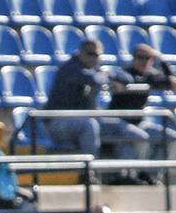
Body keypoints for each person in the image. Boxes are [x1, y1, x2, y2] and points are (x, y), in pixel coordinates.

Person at [46, 40, 148, 184]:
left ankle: (125, 176)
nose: (93, 58)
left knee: (131, 132)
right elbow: (92, 78)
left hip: (84, 118)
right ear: (80, 53)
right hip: (58, 122)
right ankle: (87, 174)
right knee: (89, 125)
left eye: (97, 55)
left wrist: (108, 74)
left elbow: (127, 78)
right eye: (90, 54)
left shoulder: (96, 68)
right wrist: (108, 79)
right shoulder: (70, 68)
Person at [108, 44, 176, 173]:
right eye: (140, 57)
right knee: (138, 136)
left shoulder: (151, 76)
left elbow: (175, 84)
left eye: (148, 58)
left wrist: (162, 60)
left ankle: (149, 175)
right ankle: (127, 177)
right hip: (119, 121)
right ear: (133, 59)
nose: (144, 61)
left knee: (170, 137)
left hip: (139, 122)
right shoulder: (125, 73)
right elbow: (117, 78)